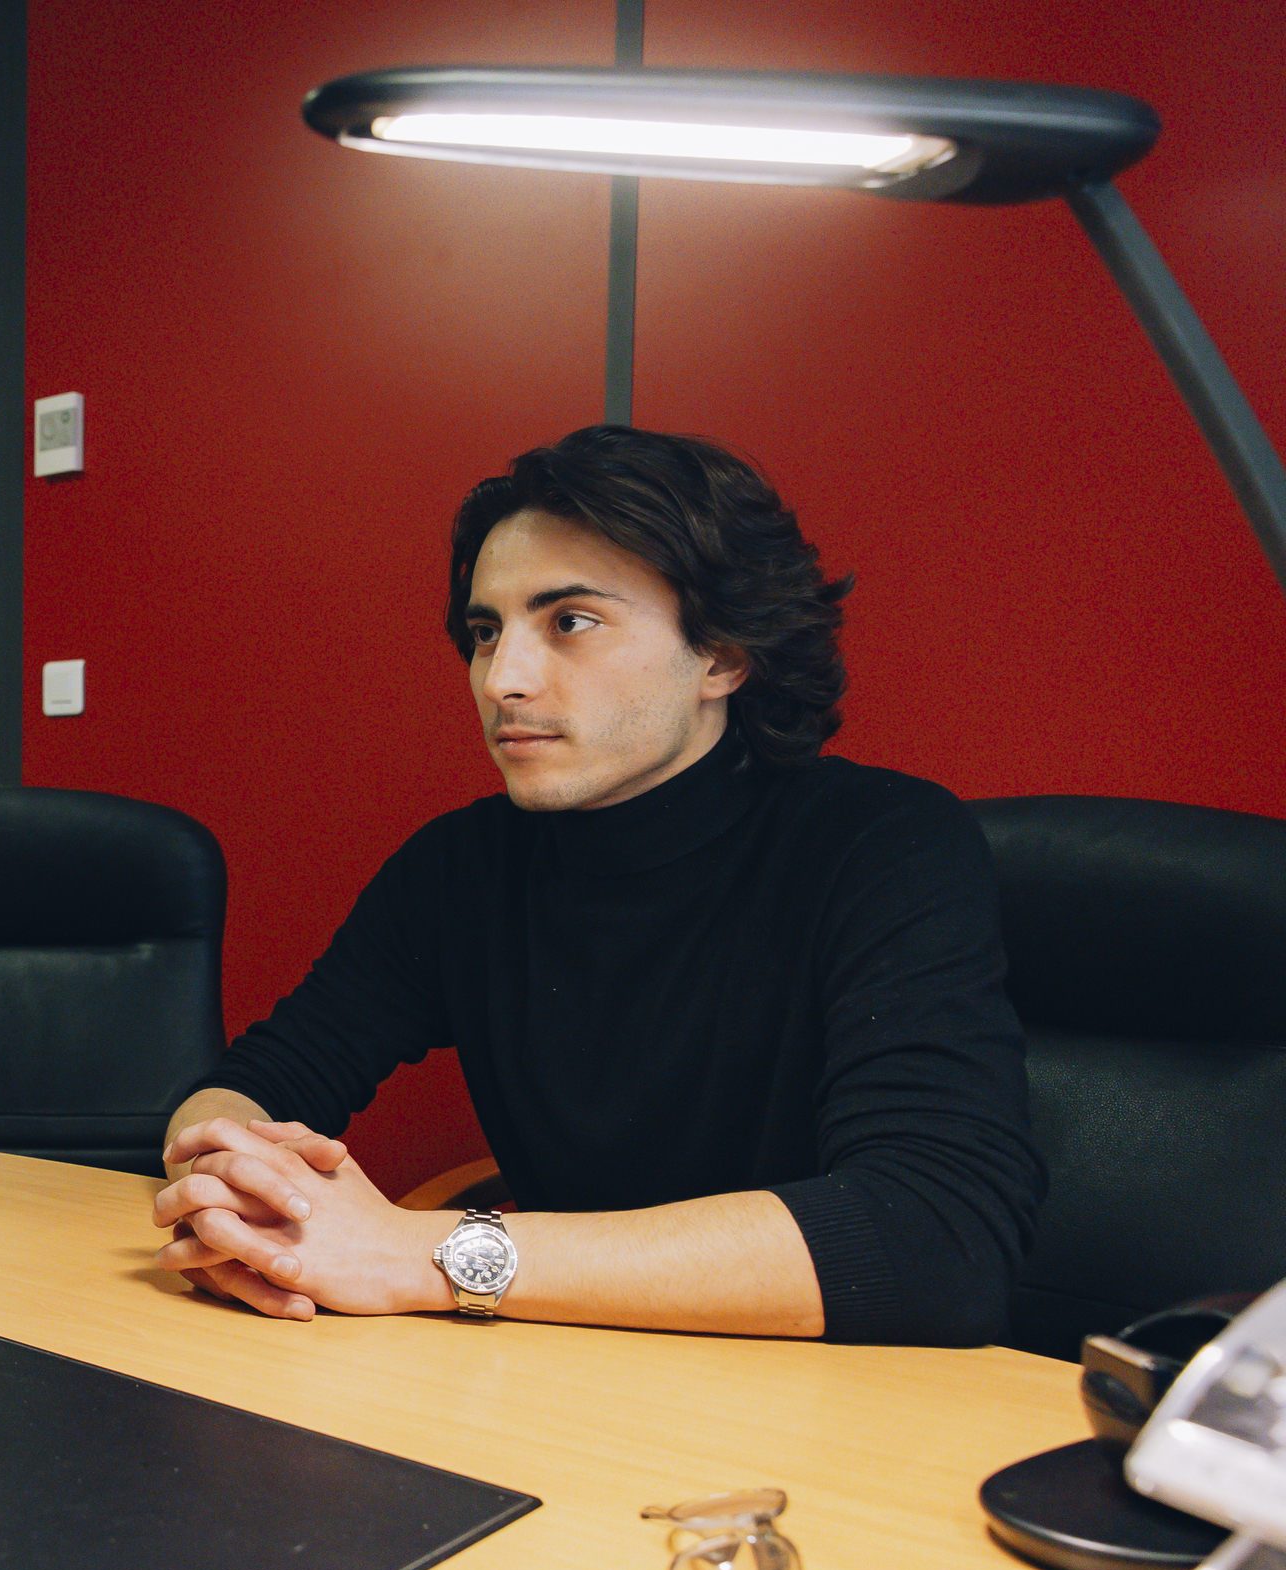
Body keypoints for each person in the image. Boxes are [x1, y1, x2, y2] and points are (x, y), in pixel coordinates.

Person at [155, 425, 1041, 1348]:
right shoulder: (461, 867)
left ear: (723, 656)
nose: (504, 679)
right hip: (560, 1371)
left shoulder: (883, 843)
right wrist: (233, 1183)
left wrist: (419, 1253)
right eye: (484, 632)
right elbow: (260, 1079)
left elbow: (936, 1243)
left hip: (828, 1398)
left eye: (569, 622)